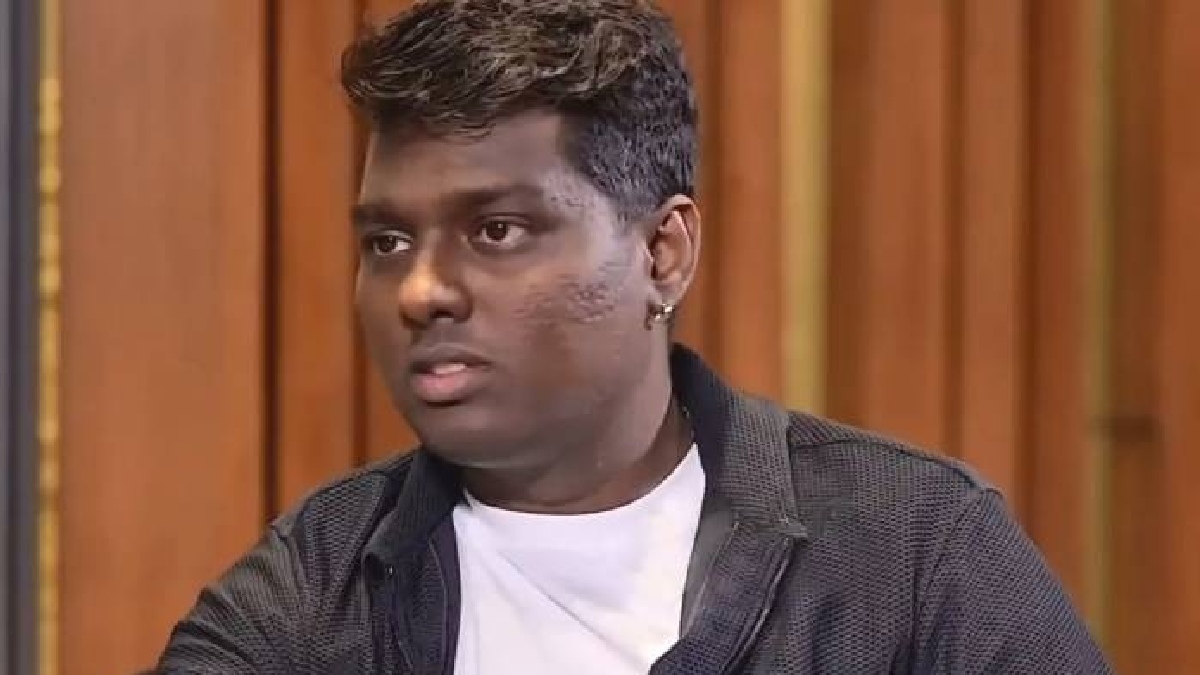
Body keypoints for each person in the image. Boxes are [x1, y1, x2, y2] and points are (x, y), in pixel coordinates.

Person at [156, 1, 1113, 673]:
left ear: (663, 252)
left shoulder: (913, 555)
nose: (421, 291)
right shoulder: (309, 596)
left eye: (497, 230)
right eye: (388, 242)